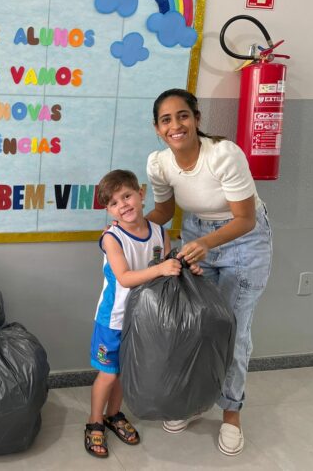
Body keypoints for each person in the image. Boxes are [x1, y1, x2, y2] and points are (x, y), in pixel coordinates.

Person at [145, 88, 273, 456]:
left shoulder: (223, 155)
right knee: (195, 325)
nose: (176, 125)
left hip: (242, 239)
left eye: (183, 116)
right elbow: (165, 213)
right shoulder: (160, 163)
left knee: (232, 328)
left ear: (197, 120)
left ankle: (231, 413)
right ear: (158, 128)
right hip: (198, 235)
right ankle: (192, 400)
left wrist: (207, 244)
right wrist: (125, 230)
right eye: (166, 120)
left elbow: (245, 219)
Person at [85, 169, 201, 459]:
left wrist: (185, 267)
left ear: (141, 194)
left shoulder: (161, 233)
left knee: (126, 371)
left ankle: (114, 415)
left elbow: (167, 270)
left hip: (144, 319)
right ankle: (94, 422)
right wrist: (161, 268)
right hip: (113, 319)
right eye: (113, 202)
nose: (122, 205)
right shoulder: (112, 238)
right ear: (109, 210)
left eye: (126, 196)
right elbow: (124, 277)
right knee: (108, 374)